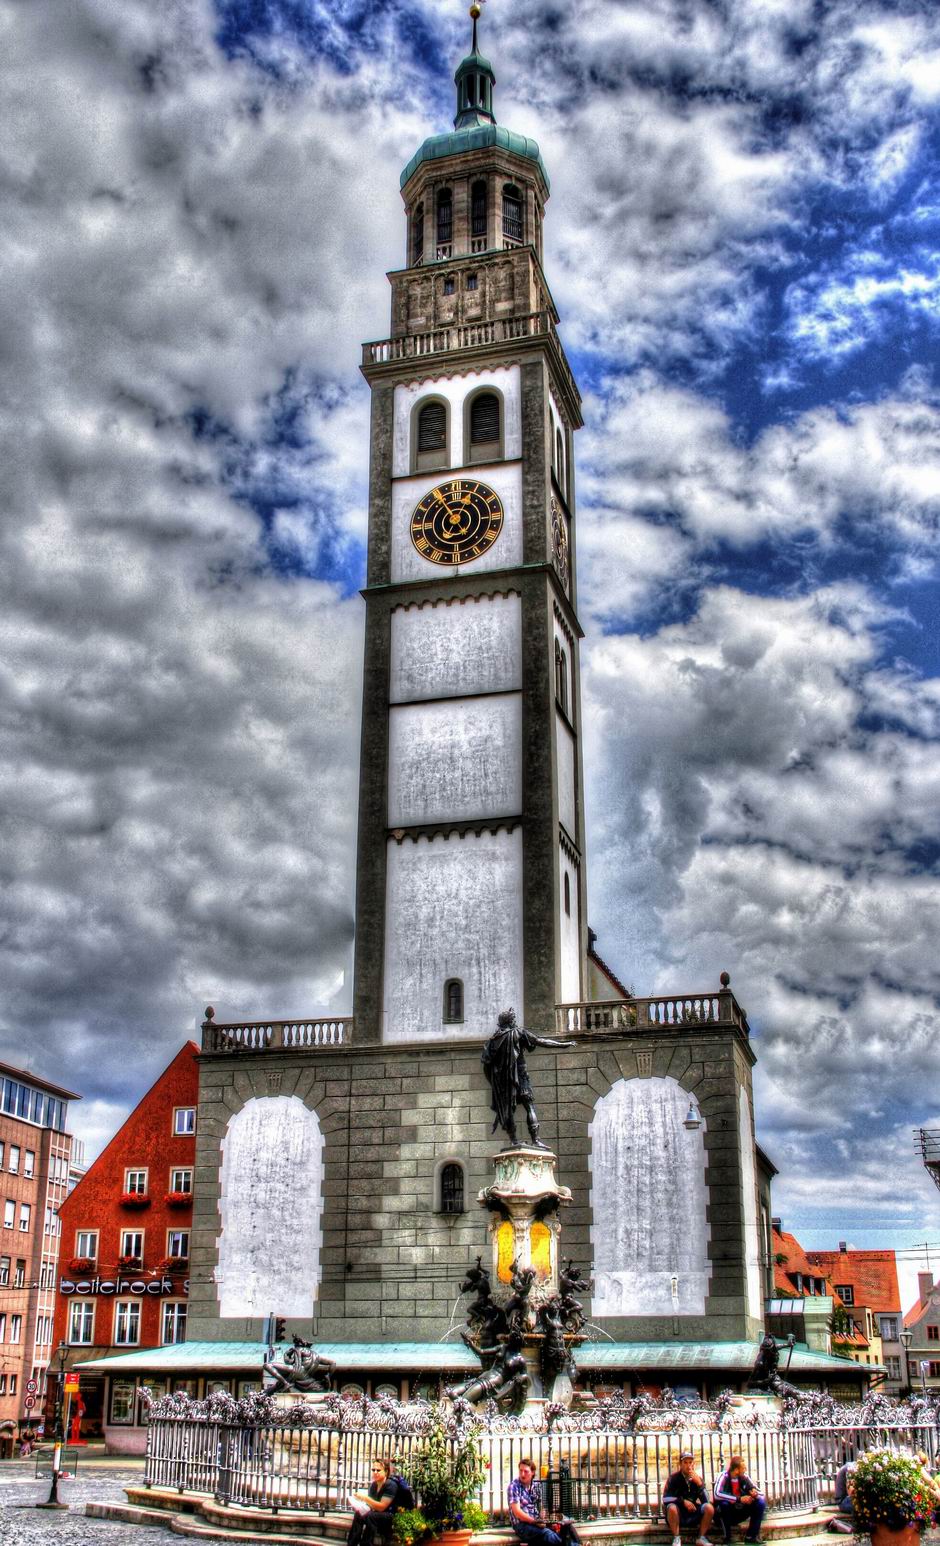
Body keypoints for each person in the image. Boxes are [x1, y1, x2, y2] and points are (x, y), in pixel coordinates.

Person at [509, 1457, 581, 1546]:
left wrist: (545, 1518)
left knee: (567, 1526)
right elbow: (517, 1512)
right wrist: (534, 1521)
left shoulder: (536, 1485)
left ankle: (579, 1544)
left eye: (526, 1471)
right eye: (521, 1471)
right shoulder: (514, 1486)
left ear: (532, 1473)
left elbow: (543, 1506)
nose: (522, 1474)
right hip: (522, 1526)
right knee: (546, 1533)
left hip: (536, 1522)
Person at [663, 1451, 715, 1546]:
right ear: (680, 1464)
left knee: (709, 1508)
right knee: (671, 1507)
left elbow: (706, 1501)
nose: (688, 1465)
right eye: (685, 1463)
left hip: (692, 1513)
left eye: (690, 1462)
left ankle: (701, 1538)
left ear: (693, 1464)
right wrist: (683, 1501)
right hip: (677, 1514)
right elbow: (665, 1499)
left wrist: (700, 1484)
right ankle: (676, 1538)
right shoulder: (673, 1478)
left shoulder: (697, 1478)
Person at [347, 1459, 401, 1546]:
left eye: (378, 1470)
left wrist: (365, 1498)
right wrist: (358, 1505)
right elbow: (371, 1505)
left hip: (391, 1515)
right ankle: (351, 1544)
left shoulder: (391, 1485)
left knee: (370, 1516)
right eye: (373, 1470)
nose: (375, 1472)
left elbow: (382, 1507)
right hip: (378, 1515)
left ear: (386, 1472)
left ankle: (366, 1544)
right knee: (359, 1514)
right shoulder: (374, 1485)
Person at [713, 1455, 765, 1544]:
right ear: (736, 1470)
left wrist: (755, 1494)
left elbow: (761, 1494)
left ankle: (751, 1536)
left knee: (760, 1502)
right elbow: (717, 1494)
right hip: (723, 1514)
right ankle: (727, 1537)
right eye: (743, 1468)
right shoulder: (723, 1476)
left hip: (739, 1512)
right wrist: (739, 1499)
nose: (745, 1470)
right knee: (724, 1504)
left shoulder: (744, 1477)